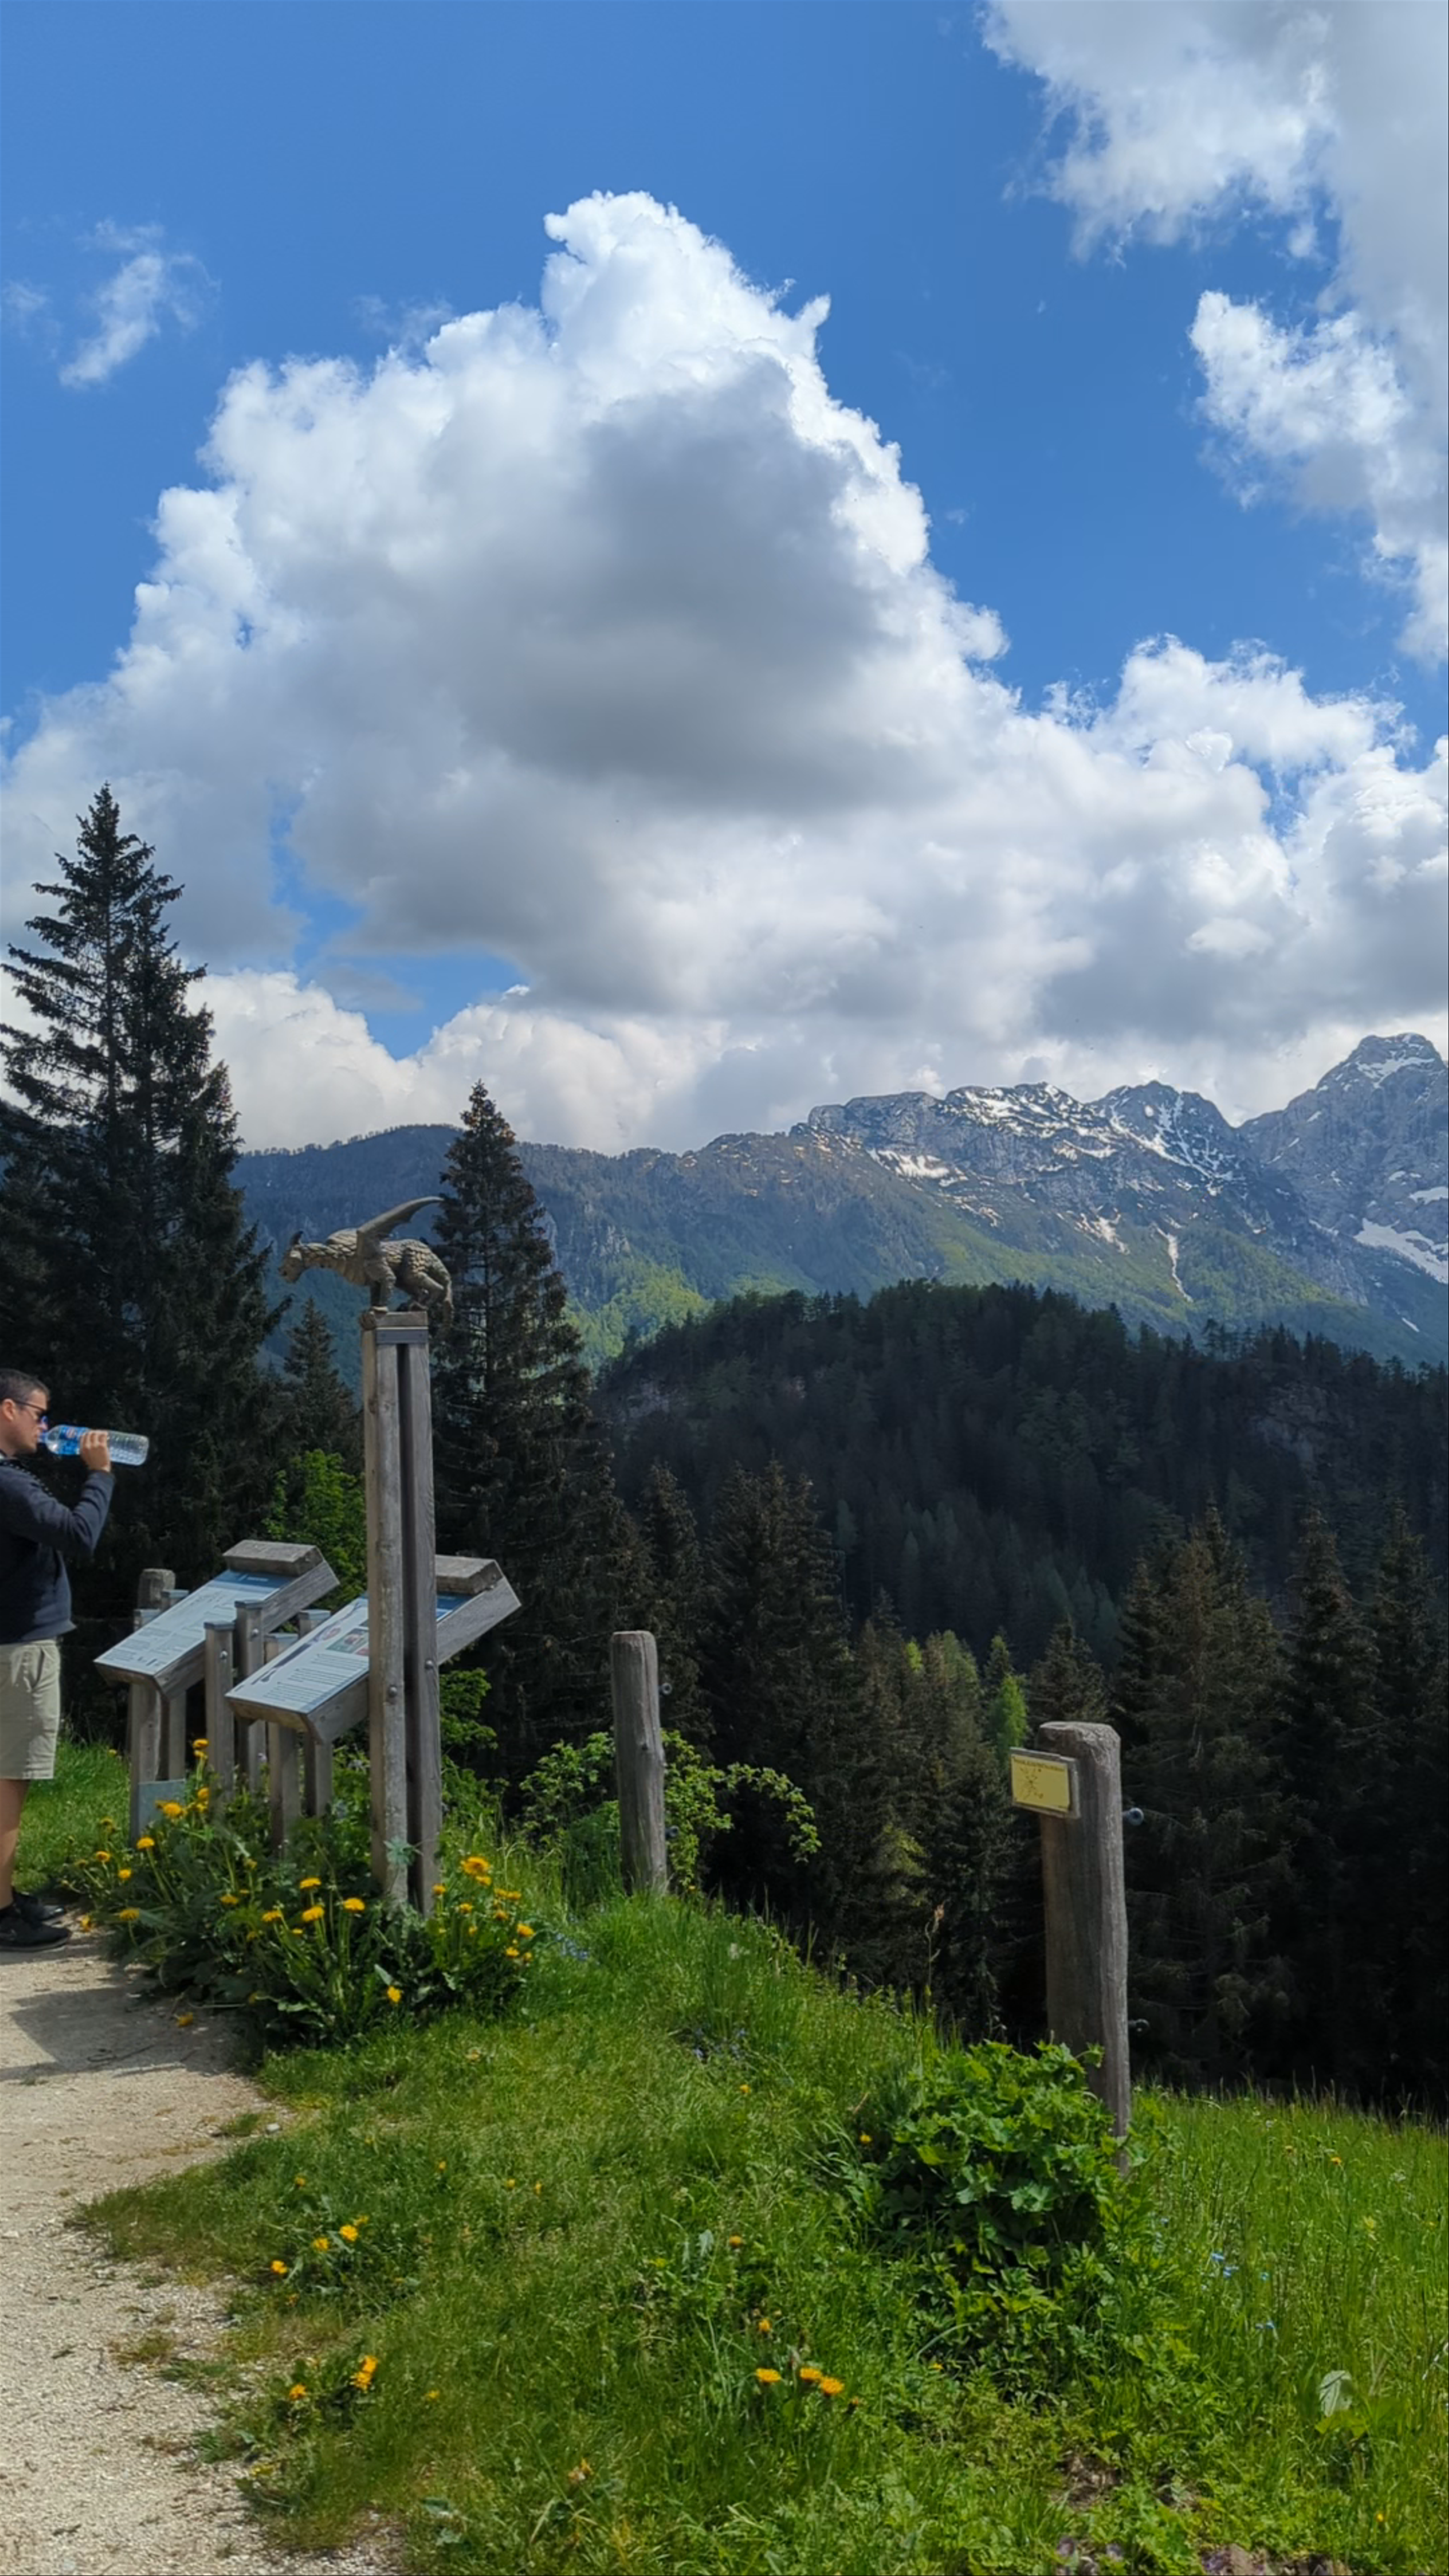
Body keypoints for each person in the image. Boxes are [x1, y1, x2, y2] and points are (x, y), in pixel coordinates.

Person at [0, 1369, 113, 1950]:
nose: (46, 1426)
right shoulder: (9, 1486)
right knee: (9, 1779)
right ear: (7, 1410)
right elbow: (79, 1534)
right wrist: (100, 1476)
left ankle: (2, 1893)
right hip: (17, 1650)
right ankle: (1, 1914)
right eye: (39, 1413)